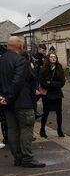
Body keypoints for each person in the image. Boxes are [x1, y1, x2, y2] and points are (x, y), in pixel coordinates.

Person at [0, 36, 45, 167]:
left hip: (6, 103)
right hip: (21, 102)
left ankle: (18, 157)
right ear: (20, 46)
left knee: (12, 130)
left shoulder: (1, 59)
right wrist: (8, 98)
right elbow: (17, 82)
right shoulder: (21, 60)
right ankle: (27, 158)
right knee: (26, 129)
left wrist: (2, 98)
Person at [39, 52, 66, 138]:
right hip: (47, 95)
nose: (53, 58)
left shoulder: (59, 68)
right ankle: (42, 129)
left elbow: (62, 82)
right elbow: (43, 83)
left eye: (55, 57)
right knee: (46, 112)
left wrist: (51, 83)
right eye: (51, 57)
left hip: (57, 94)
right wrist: (51, 84)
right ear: (48, 58)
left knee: (59, 112)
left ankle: (59, 129)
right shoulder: (44, 69)